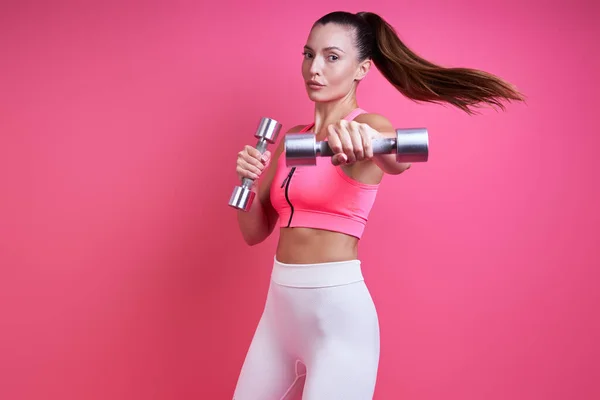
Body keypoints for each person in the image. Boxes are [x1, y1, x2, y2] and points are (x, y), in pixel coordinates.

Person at [232, 10, 524, 400]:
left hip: (338, 321)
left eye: (332, 57)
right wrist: (246, 182)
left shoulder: (371, 126)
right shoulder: (291, 139)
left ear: (362, 69)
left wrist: (366, 141)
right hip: (278, 317)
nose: (314, 68)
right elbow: (254, 233)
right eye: (308, 54)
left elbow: (396, 160)